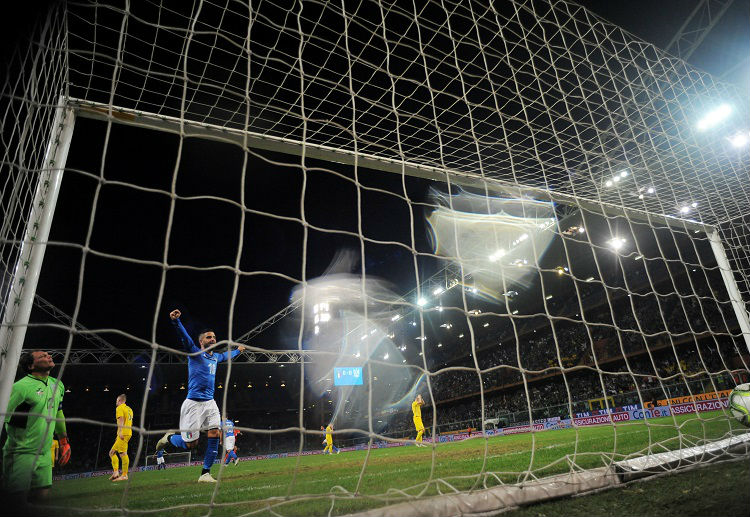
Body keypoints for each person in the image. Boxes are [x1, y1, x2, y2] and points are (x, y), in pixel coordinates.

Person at [155, 309, 245, 483]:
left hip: (210, 403)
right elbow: (185, 338)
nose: (213, 339)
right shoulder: (195, 353)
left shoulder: (215, 357)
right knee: (191, 445)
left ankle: (205, 473)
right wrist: (176, 322)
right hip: (193, 404)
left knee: (213, 433)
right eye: (209, 337)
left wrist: (238, 351)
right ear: (201, 341)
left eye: (214, 337)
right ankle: (170, 438)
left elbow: (226, 355)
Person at [2, 350, 70, 510]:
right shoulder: (20, 388)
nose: (48, 356)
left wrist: (63, 440)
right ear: (31, 366)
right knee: (15, 504)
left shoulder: (57, 384)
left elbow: (59, 413)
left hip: (45, 452)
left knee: (42, 498)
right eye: (42, 356)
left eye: (48, 354)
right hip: (21, 452)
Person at [108, 394, 133, 482]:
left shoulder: (119, 408)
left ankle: (124, 475)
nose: (116, 402)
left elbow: (121, 419)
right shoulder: (129, 409)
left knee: (123, 454)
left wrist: (121, 432)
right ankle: (116, 472)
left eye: (117, 400)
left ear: (120, 401)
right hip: (128, 432)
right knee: (111, 453)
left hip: (123, 433)